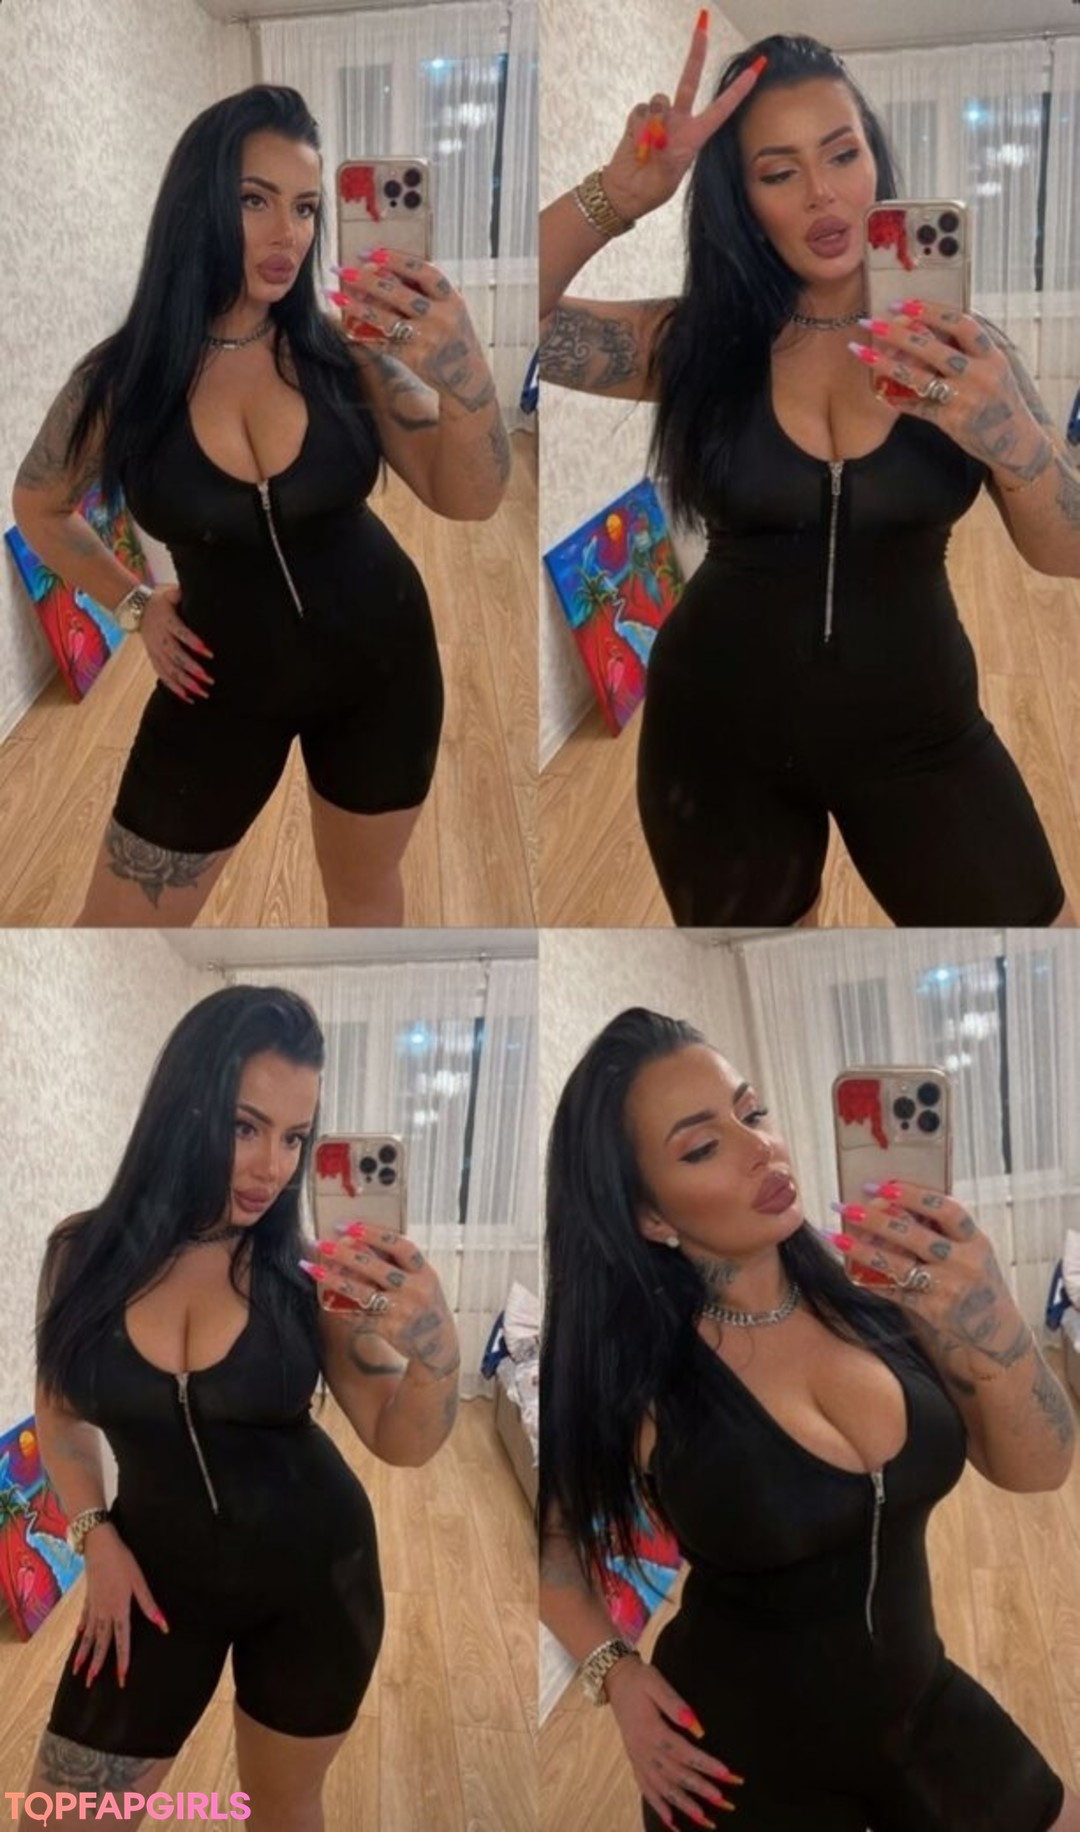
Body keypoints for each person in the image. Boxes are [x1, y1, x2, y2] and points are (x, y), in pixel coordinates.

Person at [539, 25, 1080, 925]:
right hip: (716, 735)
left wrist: (1012, 438)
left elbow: (1065, 552)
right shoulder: (696, 345)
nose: (823, 193)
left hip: (922, 738)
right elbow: (514, 322)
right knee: (769, 947)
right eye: (779, 172)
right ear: (743, 199)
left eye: (842, 153)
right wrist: (618, 196)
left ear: (876, 159)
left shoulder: (966, 354)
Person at [539, 1008, 1079, 1831]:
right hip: (738, 1762)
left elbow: (1039, 1469)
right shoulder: (637, 1378)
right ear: (650, 1216)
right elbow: (551, 1544)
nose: (762, 1147)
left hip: (924, 1713)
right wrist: (616, 1673)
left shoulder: (884, 1293)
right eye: (702, 1146)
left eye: (752, 1112)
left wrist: (995, 1315)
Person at [12, 85, 509, 928]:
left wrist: (466, 377)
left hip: (382, 670)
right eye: (256, 200)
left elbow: (471, 497)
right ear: (197, 204)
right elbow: (39, 506)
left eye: (307, 208)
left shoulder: (343, 355)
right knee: (115, 927)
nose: (290, 236)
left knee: (362, 896)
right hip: (218, 684)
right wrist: (135, 607)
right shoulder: (121, 381)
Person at [24, 985, 460, 1829]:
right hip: (151, 1585)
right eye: (245, 1127)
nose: (274, 1168)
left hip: (316, 1583)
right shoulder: (80, 1255)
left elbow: (396, 1438)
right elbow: (60, 1415)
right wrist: (94, 1537)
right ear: (182, 1109)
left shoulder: (308, 1277)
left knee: (281, 1810)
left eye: (295, 1137)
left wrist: (437, 1356)